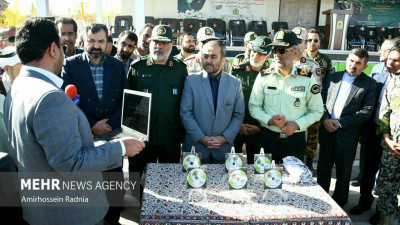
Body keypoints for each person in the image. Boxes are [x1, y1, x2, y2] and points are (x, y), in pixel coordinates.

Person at [4, 18, 144, 225]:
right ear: (53, 49)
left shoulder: (17, 87)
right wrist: (120, 147)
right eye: (61, 46)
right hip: (70, 213)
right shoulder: (49, 97)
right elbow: (72, 164)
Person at [61, 23, 130, 224]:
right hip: (85, 136)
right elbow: (67, 100)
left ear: (108, 43)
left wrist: (110, 124)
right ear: (84, 41)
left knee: (114, 187)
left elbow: (126, 99)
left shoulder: (117, 66)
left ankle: (113, 220)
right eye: (91, 41)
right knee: (89, 186)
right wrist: (91, 125)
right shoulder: (71, 65)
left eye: (101, 41)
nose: (96, 46)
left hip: (112, 135)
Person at [249, 30, 323, 163]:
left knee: (293, 181)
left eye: (282, 50)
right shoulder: (264, 76)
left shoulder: (307, 78)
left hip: (295, 141)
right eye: (275, 49)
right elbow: (254, 107)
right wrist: (269, 120)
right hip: (268, 139)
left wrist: (296, 124)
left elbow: (317, 110)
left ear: (294, 52)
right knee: (265, 179)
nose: (277, 54)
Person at [317, 48, 377, 208]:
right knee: (323, 170)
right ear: (347, 60)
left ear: (365, 66)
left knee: (343, 174)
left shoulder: (369, 84)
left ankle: (339, 205)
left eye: (358, 63)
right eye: (351, 61)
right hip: (327, 131)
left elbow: (366, 111)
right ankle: (320, 201)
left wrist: (340, 123)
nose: (353, 65)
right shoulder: (332, 77)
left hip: (347, 136)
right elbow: (320, 102)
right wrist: (325, 120)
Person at [348, 40, 398, 224]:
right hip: (374, 129)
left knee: (387, 176)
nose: (384, 56)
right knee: (367, 170)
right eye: (387, 54)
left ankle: (382, 210)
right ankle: (364, 202)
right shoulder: (377, 73)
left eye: (386, 51)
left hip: (394, 134)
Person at [127, 25, 188, 174]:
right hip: (142, 138)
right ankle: (137, 198)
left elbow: (185, 102)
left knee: (169, 180)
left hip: (170, 137)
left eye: (164, 43)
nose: (159, 46)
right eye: (155, 42)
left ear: (171, 45)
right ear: (150, 43)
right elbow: (128, 104)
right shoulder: (137, 68)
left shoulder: (180, 69)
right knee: (137, 179)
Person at [180, 40, 244, 163]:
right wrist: (201, 138)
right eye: (205, 56)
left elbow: (238, 114)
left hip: (223, 149)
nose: (208, 60)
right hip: (195, 148)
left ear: (223, 60)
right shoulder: (191, 81)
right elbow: (186, 113)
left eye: (213, 57)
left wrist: (225, 137)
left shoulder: (235, 83)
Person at [230, 36, 271, 163]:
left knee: (257, 168)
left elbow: (273, 106)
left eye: (260, 53)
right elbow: (229, 101)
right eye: (254, 51)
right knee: (232, 166)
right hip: (236, 128)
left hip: (260, 130)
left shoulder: (273, 74)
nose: (255, 56)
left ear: (268, 56)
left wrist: (259, 127)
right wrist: (237, 125)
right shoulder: (238, 70)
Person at [375, 44, 400, 225]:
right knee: (386, 188)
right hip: (391, 147)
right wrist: (387, 139)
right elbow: (384, 114)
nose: (389, 62)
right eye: (389, 58)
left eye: (395, 60)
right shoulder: (392, 81)